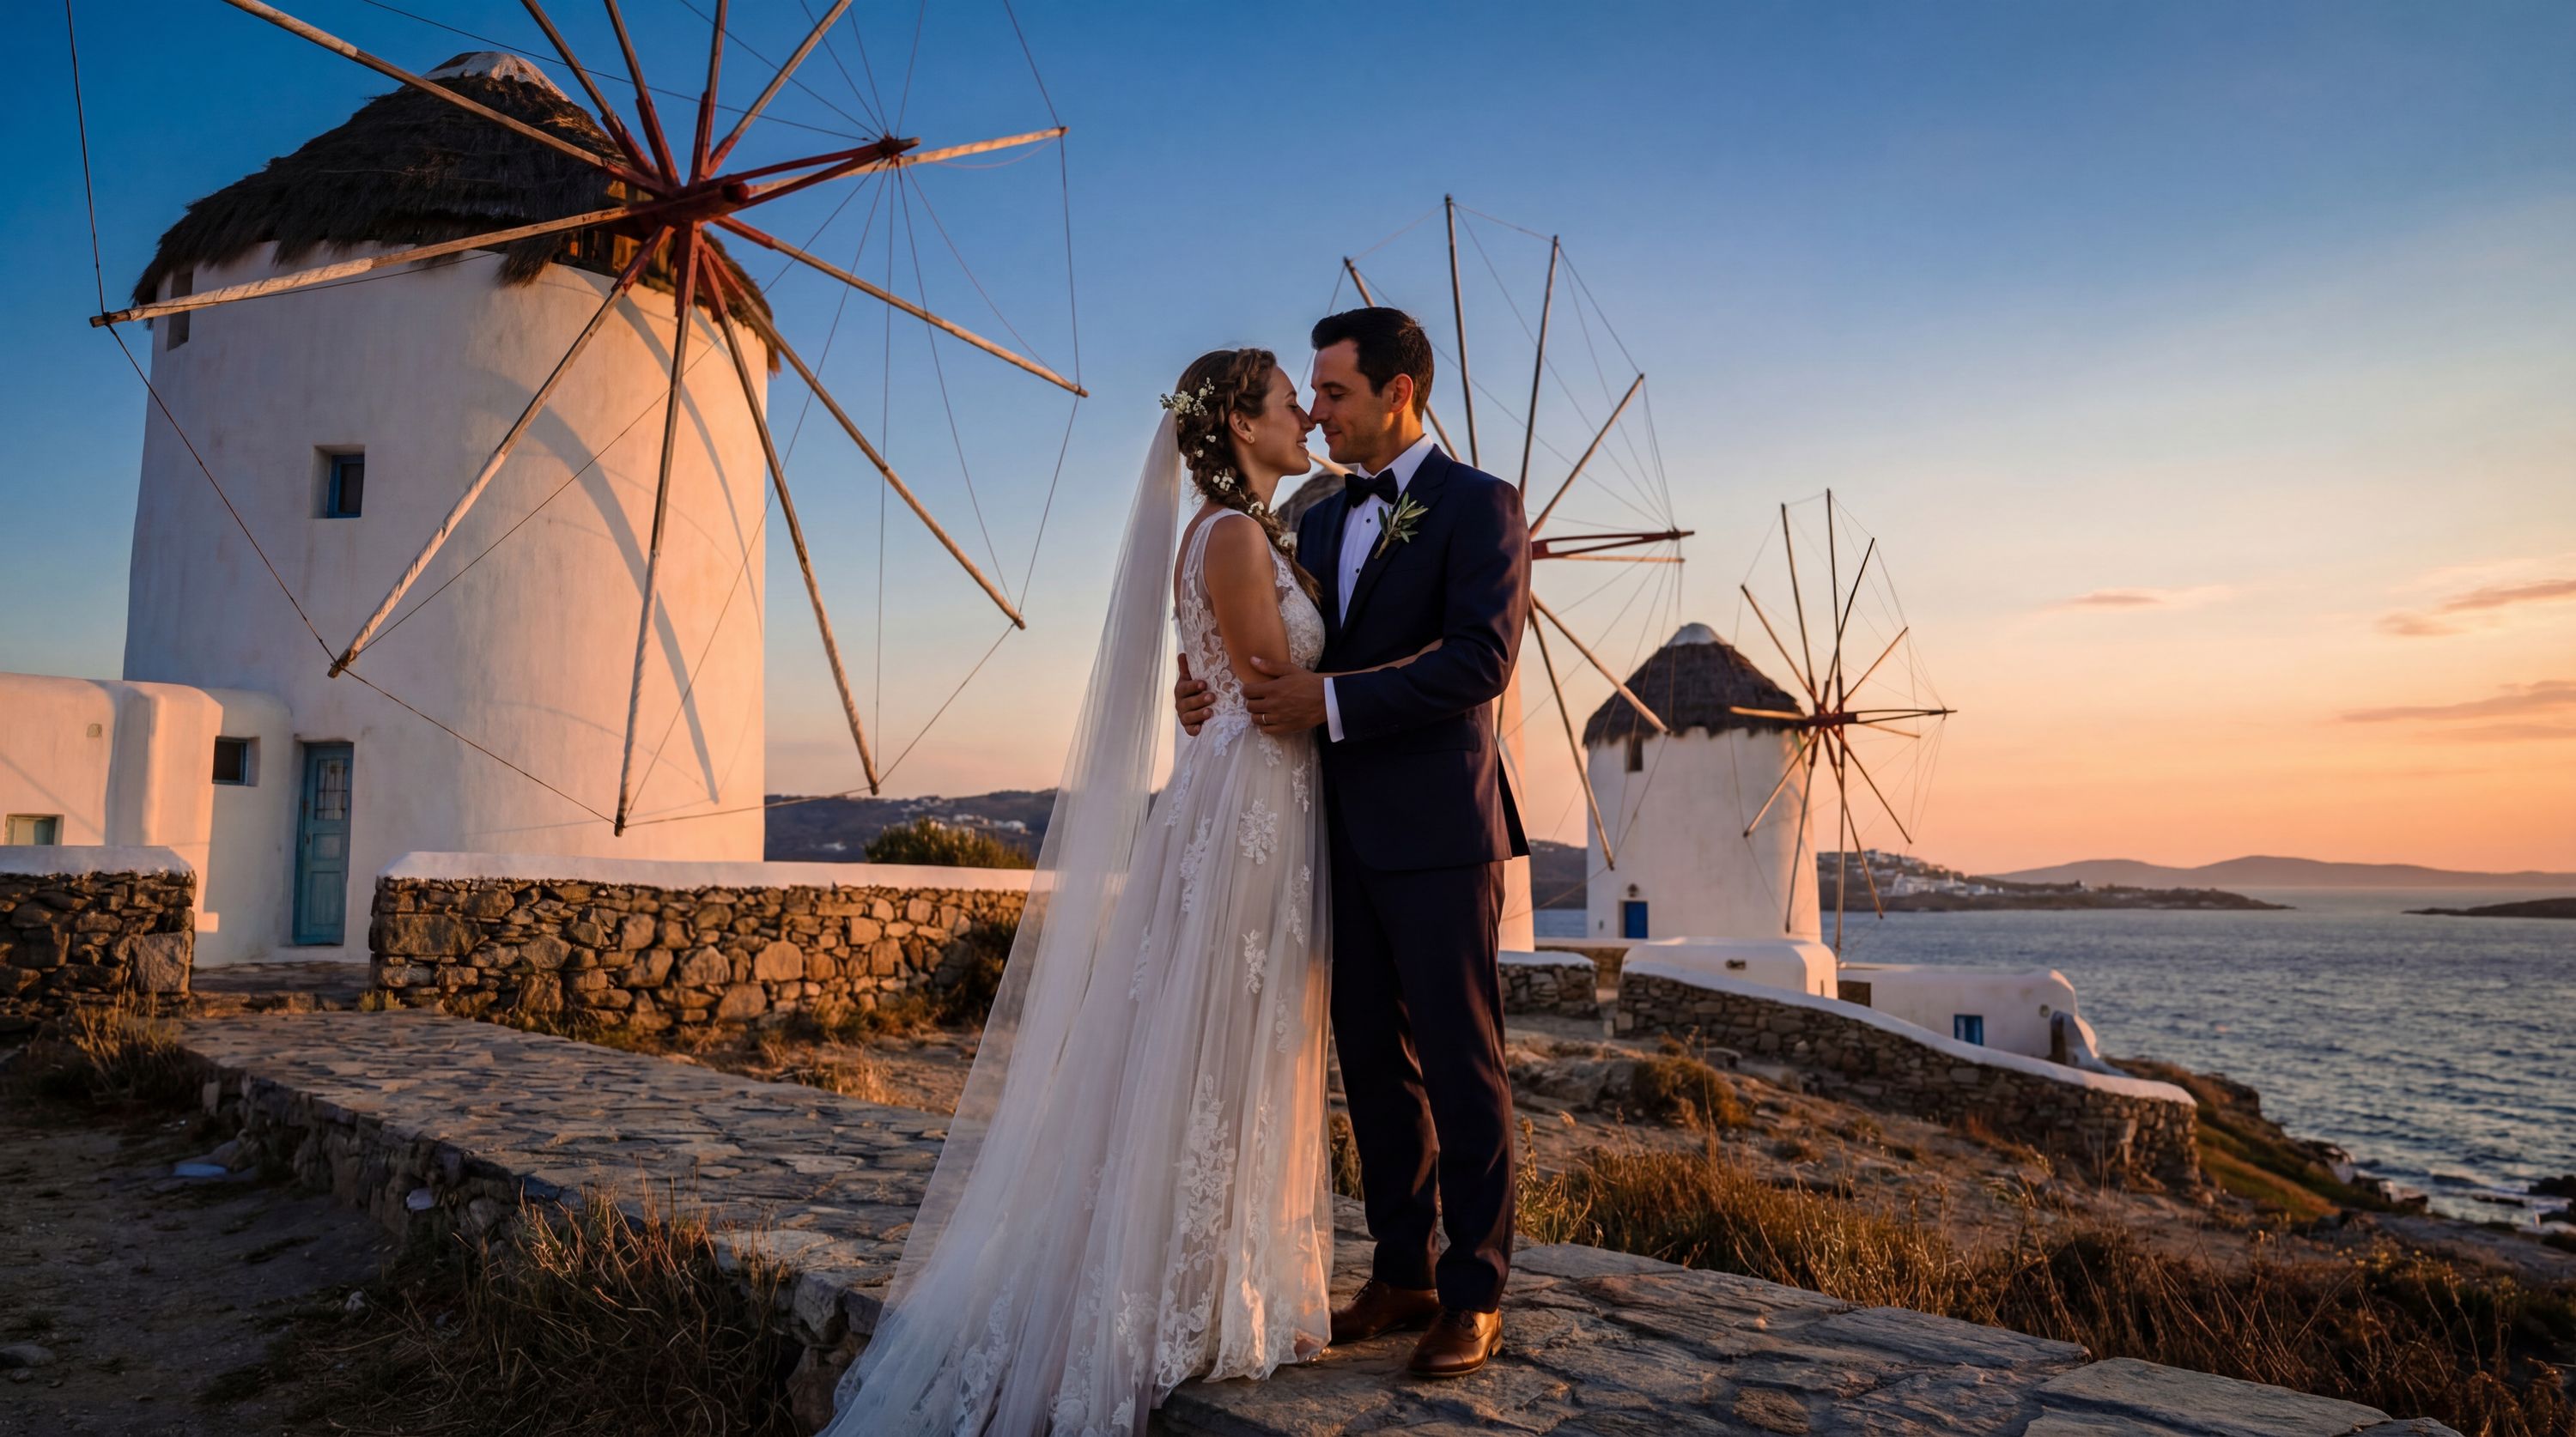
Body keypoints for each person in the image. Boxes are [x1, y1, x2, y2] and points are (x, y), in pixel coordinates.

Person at [826, 348, 1340, 1435]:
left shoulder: (1224, 534)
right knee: (1225, 1044)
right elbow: (1267, 683)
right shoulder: (1238, 533)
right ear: (1241, 425)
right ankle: (1192, 1297)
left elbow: (1218, 679)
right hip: (1249, 806)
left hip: (1237, 796)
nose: (1306, 416)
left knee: (1215, 1045)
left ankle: (1216, 1281)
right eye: (1289, 403)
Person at [1177, 306, 1532, 1379]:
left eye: (1334, 393)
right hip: (1325, 833)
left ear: (1398, 393)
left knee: (1464, 1064)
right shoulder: (1317, 519)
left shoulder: (1480, 506)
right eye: (1311, 395)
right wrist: (1202, 691)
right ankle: (1402, 1269)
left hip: (1436, 830)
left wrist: (1327, 705)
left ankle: (1476, 1290)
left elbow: (1481, 660)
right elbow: (1261, 632)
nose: (1318, 411)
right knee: (1372, 1066)